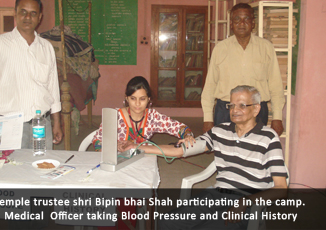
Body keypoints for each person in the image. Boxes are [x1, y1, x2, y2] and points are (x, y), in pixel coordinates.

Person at [119, 85, 288, 229]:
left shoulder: (269, 138)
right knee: (165, 223)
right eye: (231, 105)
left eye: (242, 105)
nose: (235, 110)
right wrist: (138, 146)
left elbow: (281, 188)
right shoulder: (219, 131)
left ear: (257, 108)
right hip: (216, 195)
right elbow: (181, 151)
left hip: (245, 203)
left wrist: (245, 202)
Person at [0, 0, 62, 149]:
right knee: (6, 169)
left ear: (40, 17)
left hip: (41, 125)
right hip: (7, 125)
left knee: (41, 168)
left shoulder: (46, 48)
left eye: (33, 13)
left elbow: (53, 87)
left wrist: (57, 123)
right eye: (23, 11)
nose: (27, 17)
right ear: (15, 13)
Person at [201, 3, 285, 136]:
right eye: (237, 19)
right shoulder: (220, 49)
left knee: (254, 152)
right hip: (226, 110)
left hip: (256, 110)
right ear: (231, 24)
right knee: (225, 151)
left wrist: (277, 117)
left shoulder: (266, 48)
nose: (241, 23)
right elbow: (210, 85)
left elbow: (275, 85)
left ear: (253, 23)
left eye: (246, 19)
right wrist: (207, 118)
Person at [91, 76, 195, 151]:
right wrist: (112, 147)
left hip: (143, 160)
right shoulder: (115, 116)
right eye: (133, 98)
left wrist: (188, 135)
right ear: (126, 99)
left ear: (149, 99)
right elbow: (97, 140)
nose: (137, 103)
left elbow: (180, 128)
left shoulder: (153, 117)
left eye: (142, 99)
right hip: (118, 161)